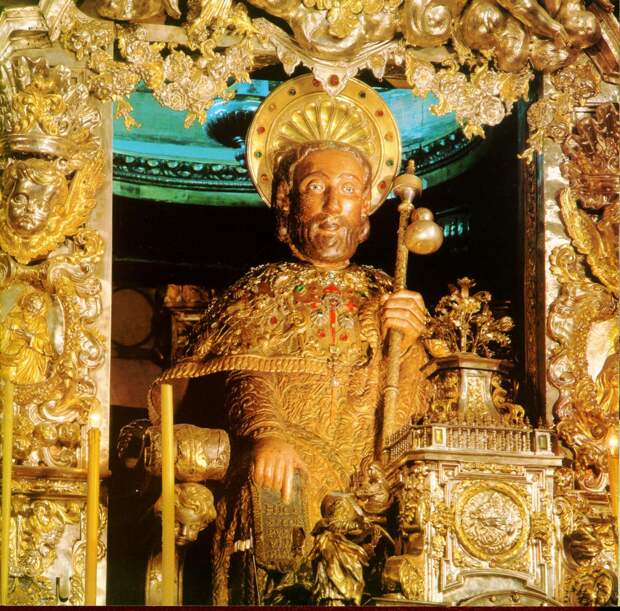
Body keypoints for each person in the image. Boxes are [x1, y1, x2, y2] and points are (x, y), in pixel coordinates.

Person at [156, 139, 430, 603]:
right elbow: (247, 370)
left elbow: (419, 401)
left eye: (348, 188)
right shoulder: (260, 290)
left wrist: (409, 343)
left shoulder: (389, 293)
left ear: (367, 203)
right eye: (316, 187)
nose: (332, 204)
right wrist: (267, 434)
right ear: (287, 198)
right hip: (286, 470)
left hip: (370, 482)